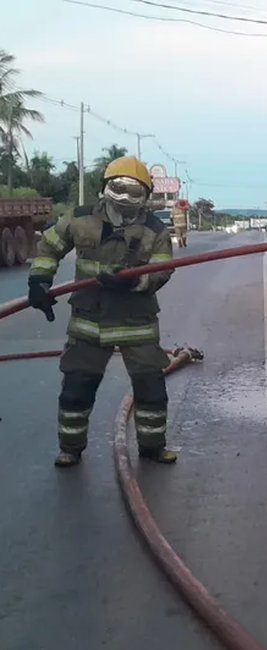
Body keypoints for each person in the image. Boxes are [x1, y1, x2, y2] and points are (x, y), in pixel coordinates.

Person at [26, 156, 177, 467]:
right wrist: (39, 280)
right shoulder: (80, 219)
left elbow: (163, 270)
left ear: (146, 195)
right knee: (77, 390)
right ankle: (70, 448)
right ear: (106, 188)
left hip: (137, 322)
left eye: (134, 192)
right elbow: (50, 246)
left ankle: (152, 447)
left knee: (151, 391)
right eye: (119, 188)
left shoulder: (155, 230)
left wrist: (134, 281)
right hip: (88, 320)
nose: (125, 198)